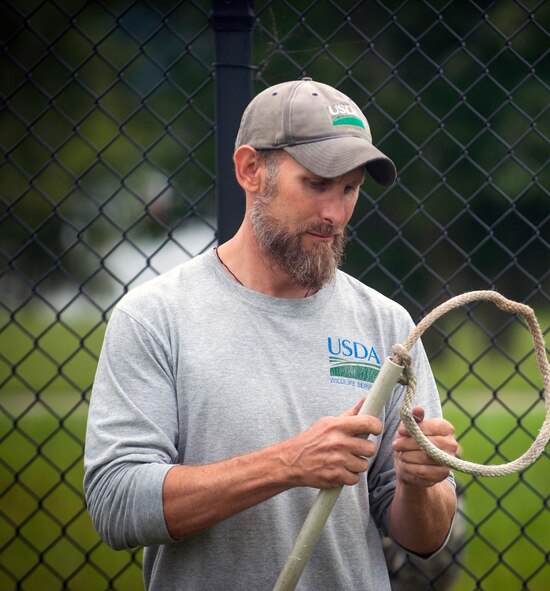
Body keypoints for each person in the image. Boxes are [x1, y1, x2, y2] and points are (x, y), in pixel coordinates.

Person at [84, 78, 459, 590]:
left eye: (350, 189)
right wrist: (289, 463)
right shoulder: (156, 317)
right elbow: (117, 504)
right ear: (250, 170)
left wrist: (421, 484)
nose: (335, 213)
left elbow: (425, 537)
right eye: (317, 184)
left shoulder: (385, 323)